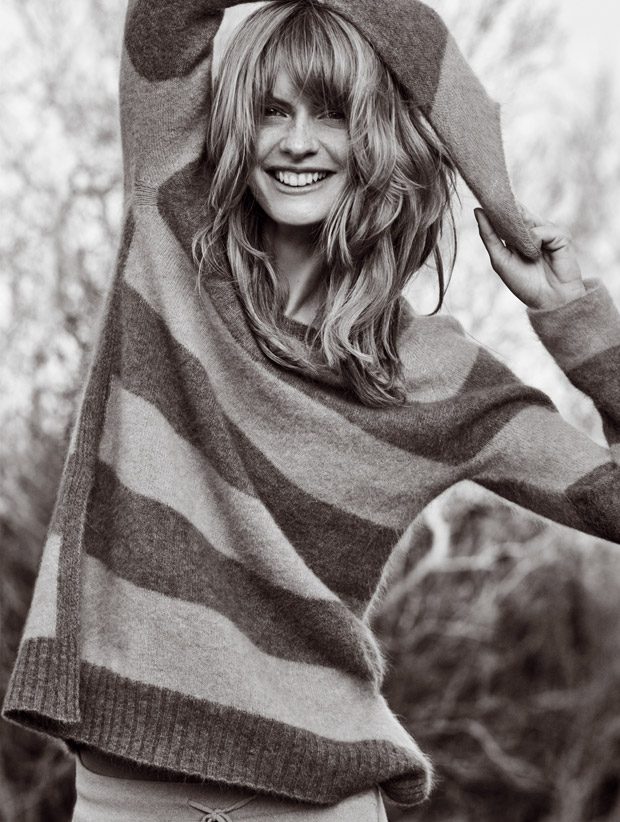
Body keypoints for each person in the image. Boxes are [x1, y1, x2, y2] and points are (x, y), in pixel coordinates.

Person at [3, 0, 619, 820]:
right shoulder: (170, 228)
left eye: (334, 114)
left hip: (317, 800)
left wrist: (579, 323)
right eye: (272, 111)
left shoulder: (438, 377)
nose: (298, 141)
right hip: (126, 796)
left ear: (381, 136)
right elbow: (164, 18)